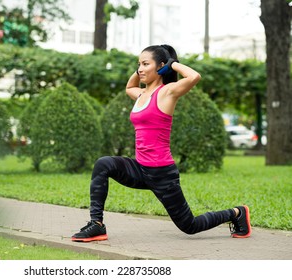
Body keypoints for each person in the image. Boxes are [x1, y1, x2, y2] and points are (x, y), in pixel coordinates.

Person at [71, 44, 251, 242]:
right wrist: (141, 69)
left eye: (145, 64)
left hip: (161, 173)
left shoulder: (167, 92)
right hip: (140, 168)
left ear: (161, 66)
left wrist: (172, 65)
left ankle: (237, 213)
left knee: (190, 226)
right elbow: (129, 87)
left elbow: (194, 77)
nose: (140, 68)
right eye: (138, 64)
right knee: (103, 163)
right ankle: (97, 224)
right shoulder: (140, 95)